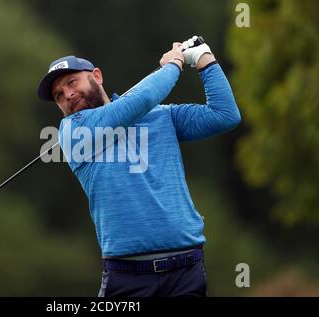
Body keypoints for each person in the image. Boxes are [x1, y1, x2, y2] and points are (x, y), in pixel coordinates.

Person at [37, 36, 241, 297]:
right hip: (127, 277)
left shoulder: (161, 115)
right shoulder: (73, 132)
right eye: (58, 95)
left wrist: (204, 58)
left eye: (71, 82)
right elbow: (141, 100)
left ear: (96, 76)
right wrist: (174, 64)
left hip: (186, 270)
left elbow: (225, 115)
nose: (68, 95)